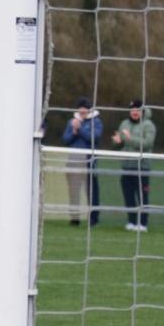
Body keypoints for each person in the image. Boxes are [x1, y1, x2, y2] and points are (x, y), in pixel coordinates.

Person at [112, 99, 157, 233]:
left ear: (142, 111)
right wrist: (117, 142)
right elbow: (119, 144)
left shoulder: (149, 125)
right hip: (126, 166)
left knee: (142, 196)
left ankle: (143, 223)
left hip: (142, 167)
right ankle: (131, 221)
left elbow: (147, 144)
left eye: (137, 109)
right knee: (128, 196)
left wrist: (130, 138)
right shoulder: (124, 123)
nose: (134, 112)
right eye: (132, 110)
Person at [61, 96, 103, 227]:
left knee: (91, 190)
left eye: (85, 109)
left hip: (89, 160)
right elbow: (65, 140)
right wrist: (73, 132)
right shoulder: (71, 121)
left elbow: (93, 138)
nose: (82, 111)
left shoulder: (96, 122)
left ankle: (93, 219)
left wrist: (79, 129)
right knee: (74, 190)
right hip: (73, 159)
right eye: (81, 109)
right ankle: (75, 218)